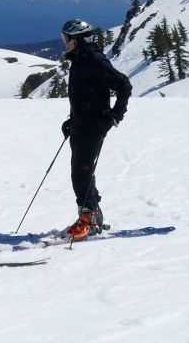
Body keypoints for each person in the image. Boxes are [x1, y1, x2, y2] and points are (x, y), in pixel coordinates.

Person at [59, 18, 132, 239]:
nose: (65, 42)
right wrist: (72, 120)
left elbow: (124, 85)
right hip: (81, 125)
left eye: (67, 38)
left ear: (78, 40)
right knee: (83, 172)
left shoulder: (94, 60)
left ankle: (88, 220)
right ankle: (92, 215)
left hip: (93, 127)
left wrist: (113, 117)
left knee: (80, 175)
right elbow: (85, 95)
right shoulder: (80, 59)